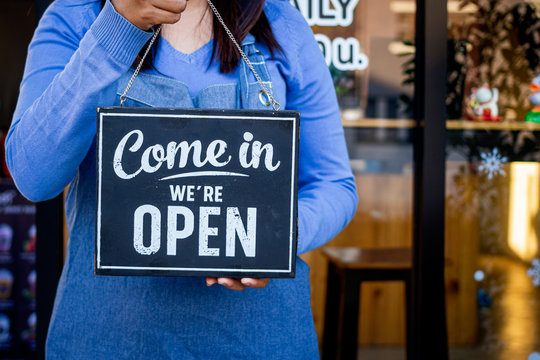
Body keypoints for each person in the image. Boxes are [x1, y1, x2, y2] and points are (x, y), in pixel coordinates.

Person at [6, 0, 358, 358]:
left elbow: (333, 184)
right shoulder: (76, 15)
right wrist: (116, 28)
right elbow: (34, 175)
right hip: (110, 340)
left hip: (259, 342)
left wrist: (273, 239)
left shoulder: (280, 22)